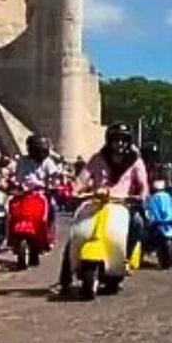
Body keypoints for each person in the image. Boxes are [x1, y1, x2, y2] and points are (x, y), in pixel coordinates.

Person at [60, 123, 150, 290]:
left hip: (122, 204)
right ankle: (65, 278)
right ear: (109, 141)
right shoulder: (98, 158)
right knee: (77, 232)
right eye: (116, 140)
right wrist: (75, 190)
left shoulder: (135, 161)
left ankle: (126, 258)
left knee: (137, 222)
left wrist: (141, 196)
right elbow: (82, 179)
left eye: (123, 140)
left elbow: (143, 184)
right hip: (96, 201)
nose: (120, 144)